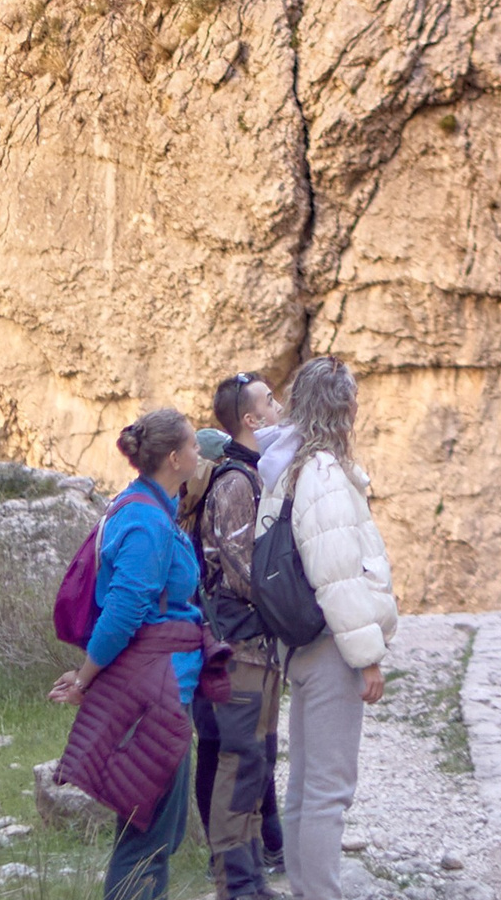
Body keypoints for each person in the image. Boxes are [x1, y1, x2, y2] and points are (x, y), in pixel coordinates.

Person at [255, 357, 399, 900]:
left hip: (301, 644)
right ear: (342, 409)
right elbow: (337, 575)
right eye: (353, 400)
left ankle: (305, 889)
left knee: (306, 786)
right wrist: (366, 655)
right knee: (328, 789)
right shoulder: (323, 475)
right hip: (329, 645)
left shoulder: (288, 469)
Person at [51, 408, 208, 900]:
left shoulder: (145, 505)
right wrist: (84, 678)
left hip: (154, 687)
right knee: (149, 836)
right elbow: (124, 608)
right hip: (152, 694)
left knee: (155, 829)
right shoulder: (146, 521)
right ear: (176, 457)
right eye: (195, 447)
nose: (201, 454)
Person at [194, 372, 288, 895]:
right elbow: (240, 570)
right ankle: (236, 881)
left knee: (258, 760)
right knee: (240, 761)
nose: (278, 408)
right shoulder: (235, 483)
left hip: (259, 649)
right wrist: (288, 600)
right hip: (241, 648)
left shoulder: (252, 475)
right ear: (250, 419)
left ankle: (253, 877)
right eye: (270, 402)